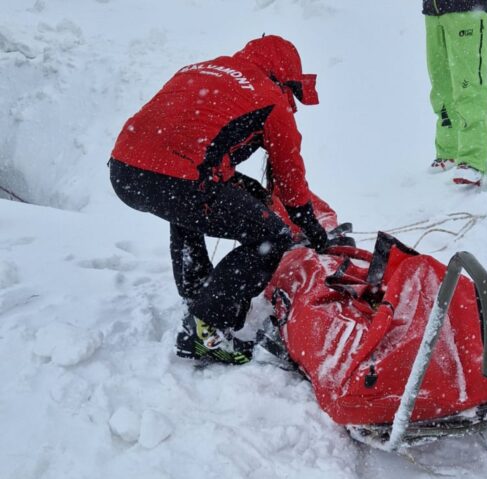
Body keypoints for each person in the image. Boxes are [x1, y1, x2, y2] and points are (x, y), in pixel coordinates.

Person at [109, 35, 328, 365]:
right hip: (177, 177)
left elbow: (184, 134)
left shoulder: (204, 69)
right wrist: (306, 220)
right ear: (284, 75)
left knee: (187, 203)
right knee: (272, 235)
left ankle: (197, 291)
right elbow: (288, 170)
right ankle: (208, 327)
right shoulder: (269, 95)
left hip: (125, 171)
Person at [423, 0, 487, 186]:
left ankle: (473, 160)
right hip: (434, 11)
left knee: (468, 85)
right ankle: (449, 151)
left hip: (468, 9)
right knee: (441, 88)